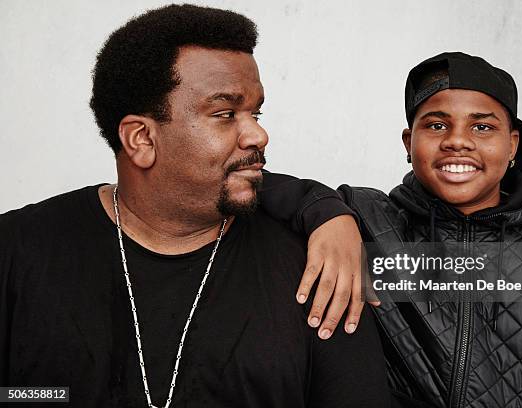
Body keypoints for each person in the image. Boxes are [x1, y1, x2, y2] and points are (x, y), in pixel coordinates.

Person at [0, 5, 390, 407]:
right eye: (225, 114)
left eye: (255, 112)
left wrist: (332, 211)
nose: (259, 134)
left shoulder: (318, 266)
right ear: (141, 139)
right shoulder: (17, 251)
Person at [260, 52, 522, 407]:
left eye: (482, 127)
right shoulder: (365, 221)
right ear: (408, 143)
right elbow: (251, 186)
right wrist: (326, 213)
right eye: (437, 125)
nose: (457, 141)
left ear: (512, 145)